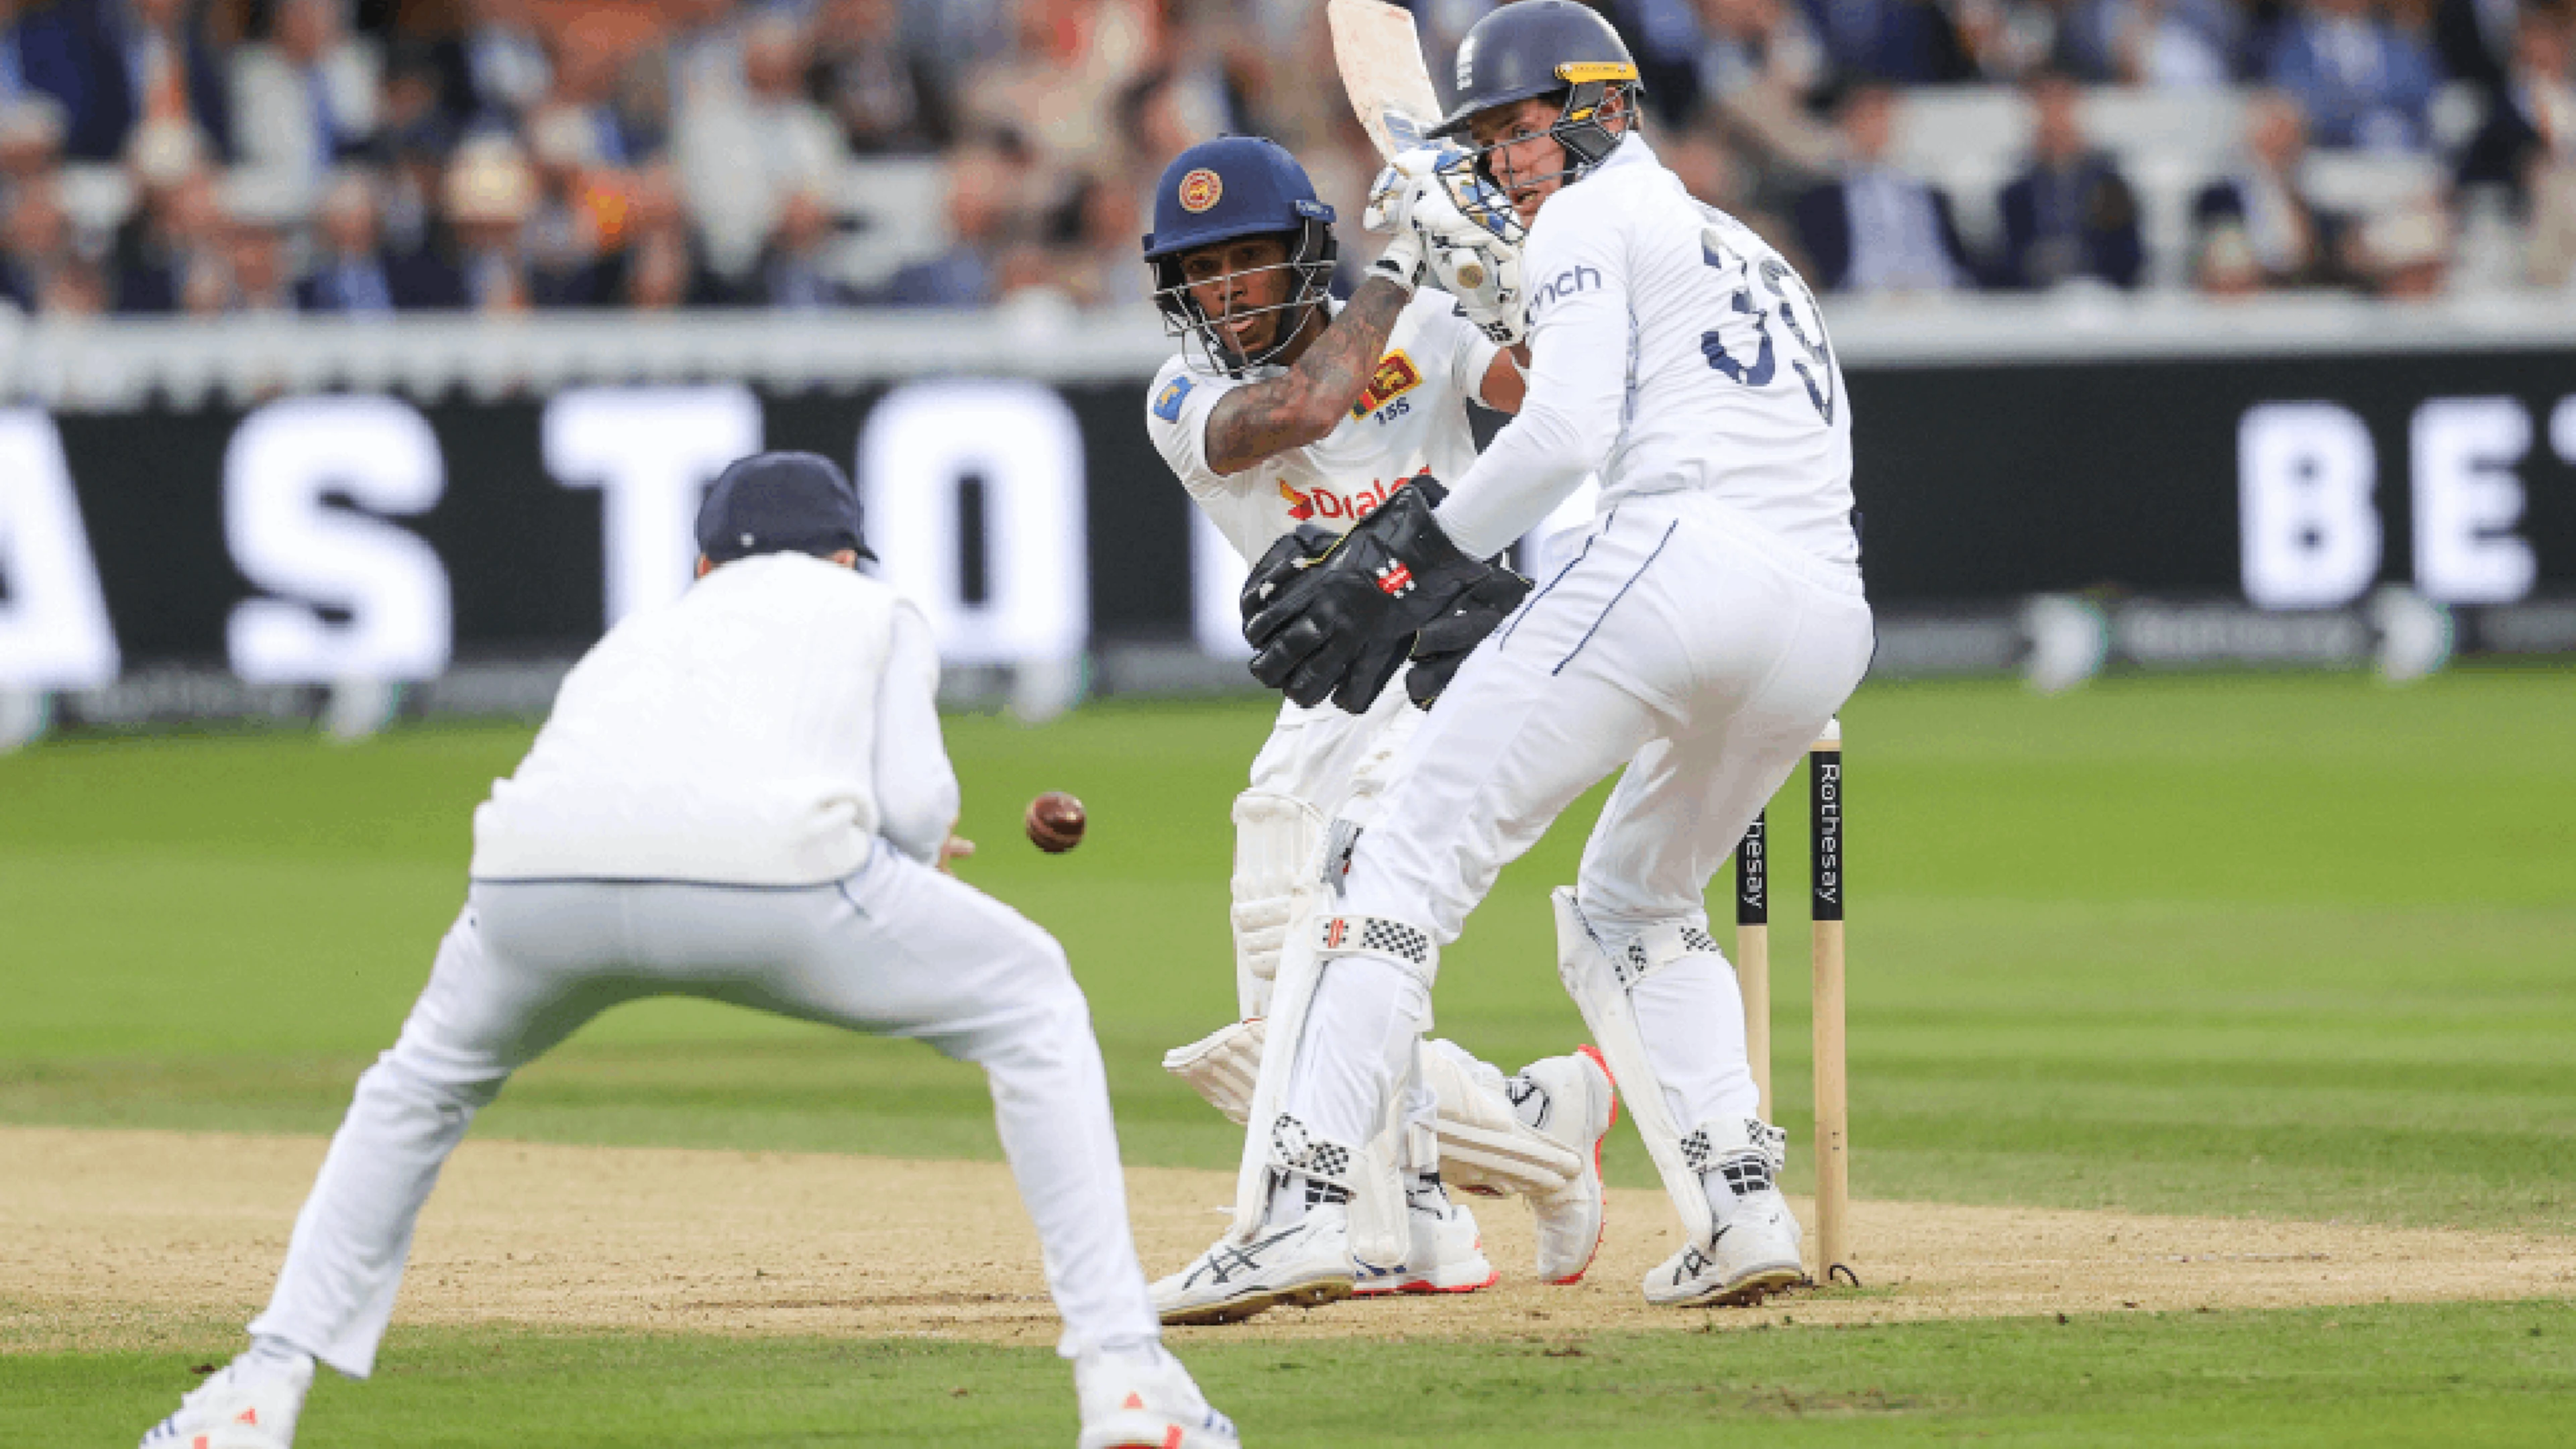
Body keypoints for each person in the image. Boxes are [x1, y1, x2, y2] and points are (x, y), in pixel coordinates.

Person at [136, 453, 1237, 1449]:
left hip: (530, 881)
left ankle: (255, 1392)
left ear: (705, 560)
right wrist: (907, 857)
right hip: (778, 880)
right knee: (1034, 998)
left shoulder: (646, 631)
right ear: (848, 552)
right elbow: (912, 802)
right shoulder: (871, 604)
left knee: (414, 1086)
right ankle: (1124, 1382)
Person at [1200, 0, 1874, 1314]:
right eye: (1492, 140)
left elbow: (1564, 435)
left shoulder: (1585, 217)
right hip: (1827, 617)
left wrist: (1403, 565)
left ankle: (1305, 1209)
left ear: (1601, 105)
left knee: (1388, 859)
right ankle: (1741, 1209)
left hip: (1682, 562)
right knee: (1630, 903)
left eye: (1521, 128)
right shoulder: (1743, 244)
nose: (1509, 160)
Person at [1139, 133, 1619, 1323]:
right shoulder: (1181, 395)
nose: (1224, 290)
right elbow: (1309, 408)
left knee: (1340, 942)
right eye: (1200, 271)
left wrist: (1502, 268)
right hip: (1328, 689)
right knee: (1280, 994)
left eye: (1248, 259)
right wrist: (1407, 263)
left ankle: (1391, 1223)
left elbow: (1568, 397)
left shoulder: (1432, 329)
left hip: (1458, 662)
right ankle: (1518, 1145)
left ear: (1306, 249)